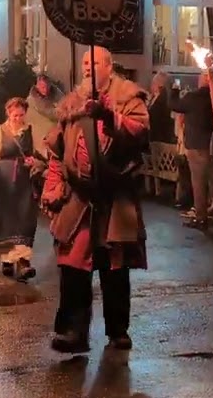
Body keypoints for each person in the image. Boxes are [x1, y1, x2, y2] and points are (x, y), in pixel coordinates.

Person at [42, 48, 149, 354]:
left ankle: (118, 330)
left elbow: (139, 133)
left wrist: (106, 114)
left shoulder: (128, 97)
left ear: (109, 66)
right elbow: (55, 152)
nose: (88, 67)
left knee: (114, 267)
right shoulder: (71, 104)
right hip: (80, 197)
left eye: (94, 63)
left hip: (114, 196)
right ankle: (73, 332)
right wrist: (53, 187)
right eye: (85, 63)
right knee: (74, 265)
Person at [0, 97, 44, 281]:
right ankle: (7, 260)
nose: (18, 118)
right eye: (15, 115)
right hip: (4, 181)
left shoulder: (31, 131)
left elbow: (42, 152)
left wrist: (36, 161)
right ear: (8, 112)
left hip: (25, 182)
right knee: (5, 221)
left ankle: (23, 262)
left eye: (21, 115)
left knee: (24, 219)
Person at [169, 69, 213, 230]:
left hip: (197, 148)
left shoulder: (193, 98)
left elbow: (173, 104)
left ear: (202, 81)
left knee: (198, 183)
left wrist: (176, 85)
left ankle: (201, 217)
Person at [26, 74, 63, 156]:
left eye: (47, 87)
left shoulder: (57, 94)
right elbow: (51, 113)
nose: (45, 90)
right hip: (42, 139)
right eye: (42, 87)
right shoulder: (32, 101)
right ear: (37, 86)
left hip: (57, 137)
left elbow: (64, 104)